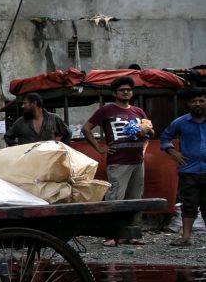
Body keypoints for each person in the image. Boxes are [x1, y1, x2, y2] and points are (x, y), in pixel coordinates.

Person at [83, 76, 150, 246]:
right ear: (115, 93)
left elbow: (150, 132)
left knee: (135, 199)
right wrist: (99, 148)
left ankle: (132, 235)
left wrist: (144, 143)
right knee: (115, 199)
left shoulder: (139, 112)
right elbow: (86, 128)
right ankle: (110, 235)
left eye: (128, 89)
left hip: (137, 161)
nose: (126, 92)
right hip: (118, 161)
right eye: (122, 90)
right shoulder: (106, 110)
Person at [160, 89, 206, 246]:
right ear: (189, 104)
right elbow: (165, 137)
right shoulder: (180, 122)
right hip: (188, 170)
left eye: (201, 100)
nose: (198, 104)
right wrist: (173, 152)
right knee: (189, 205)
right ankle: (186, 237)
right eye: (194, 101)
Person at [4, 92, 71, 146]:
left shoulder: (54, 118)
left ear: (34, 103)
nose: (22, 106)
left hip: (49, 159)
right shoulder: (20, 122)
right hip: (29, 160)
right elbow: (7, 137)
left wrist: (61, 148)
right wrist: (17, 146)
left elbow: (68, 134)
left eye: (25, 103)